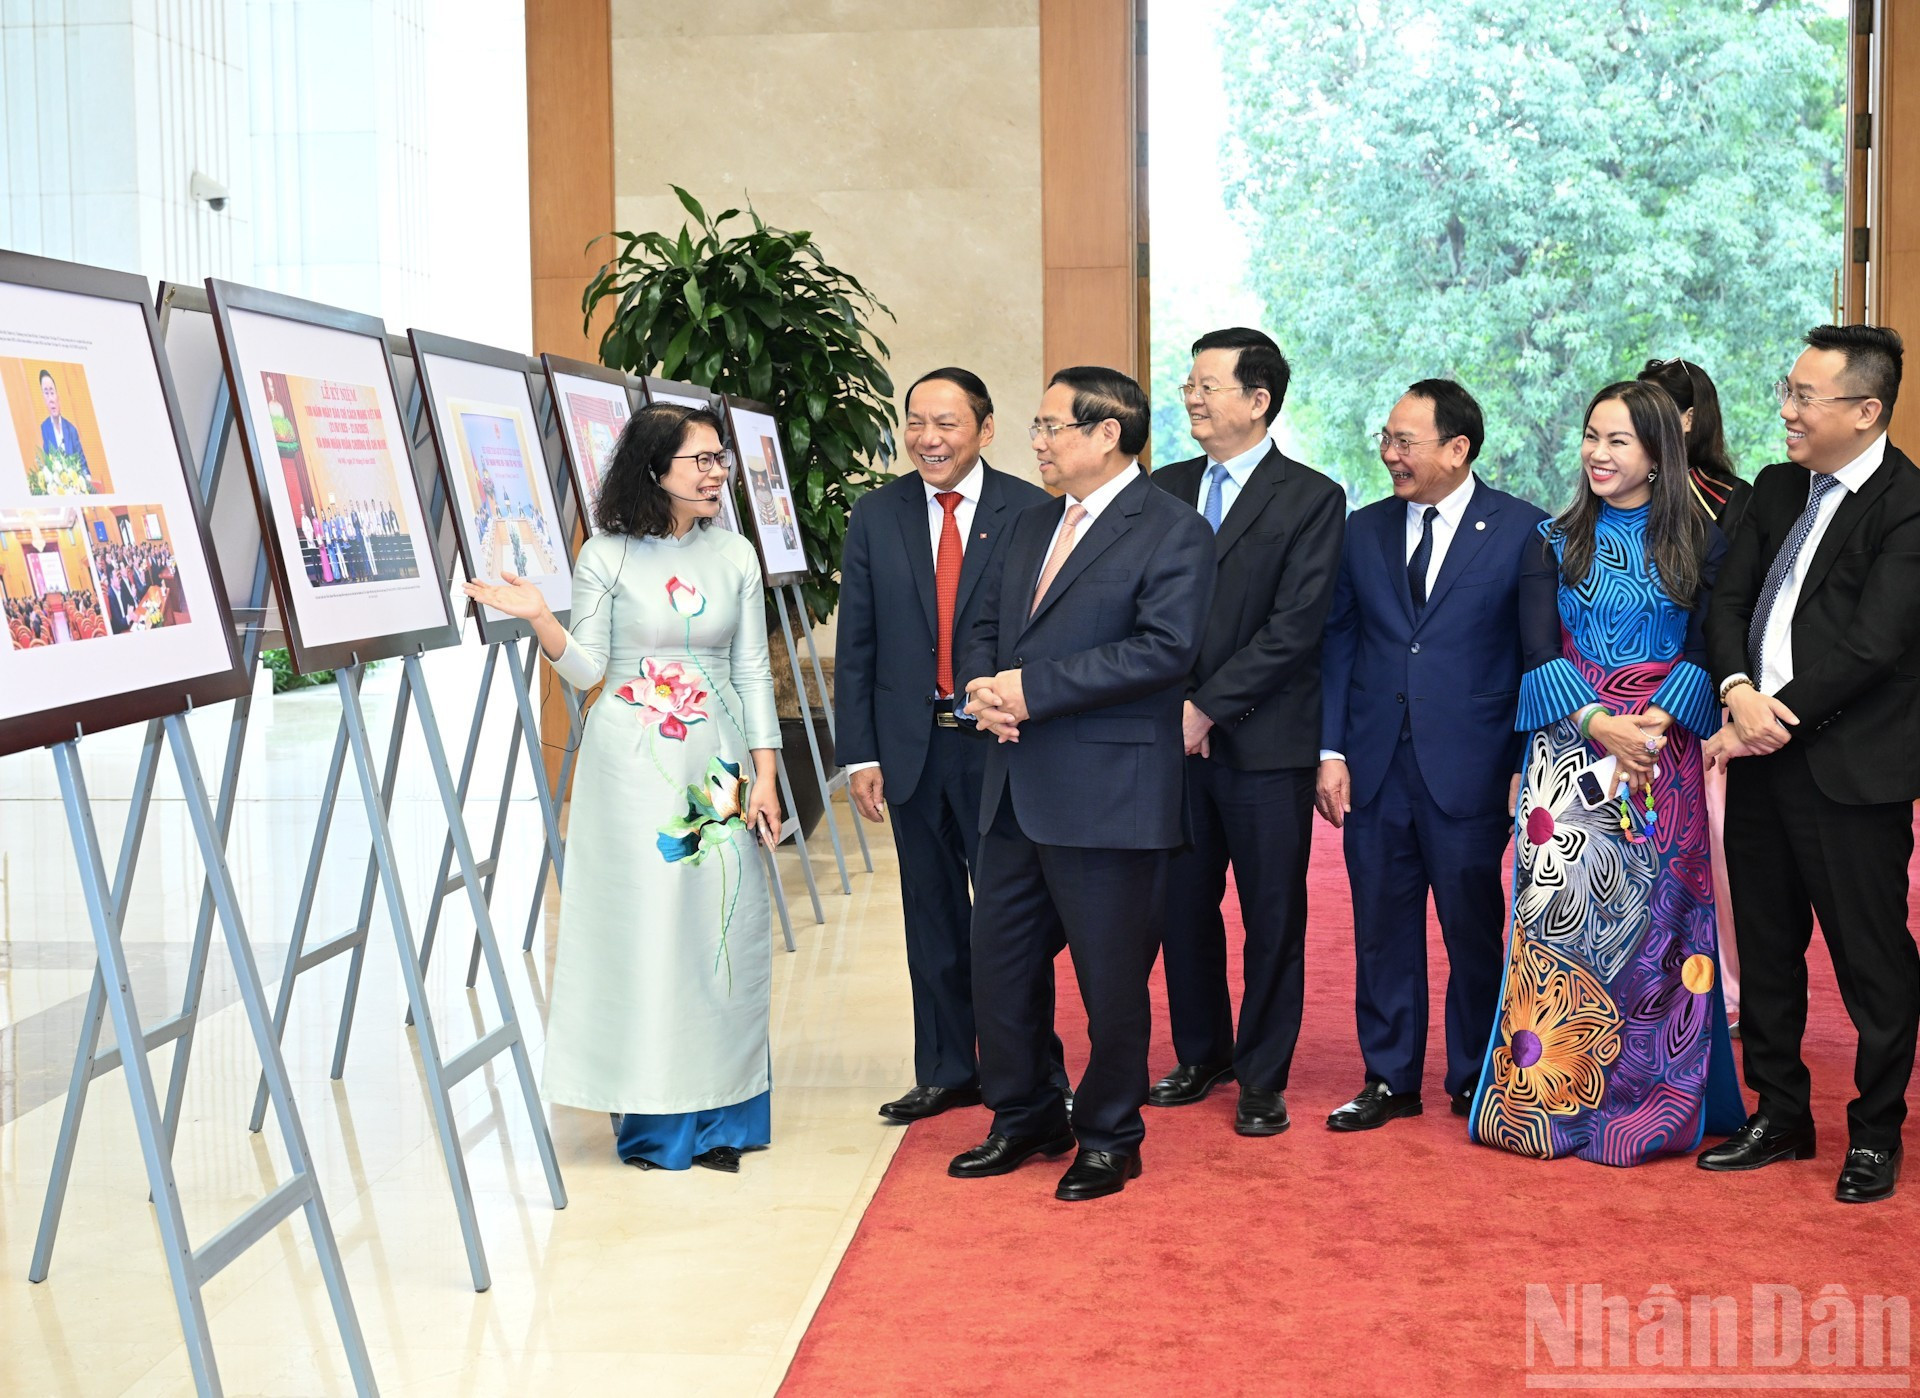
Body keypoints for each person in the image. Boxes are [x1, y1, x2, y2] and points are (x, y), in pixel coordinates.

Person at [461, 402, 784, 1173]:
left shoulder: (736, 553)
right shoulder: (604, 555)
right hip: (630, 763)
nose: (715, 474)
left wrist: (766, 773)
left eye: (719, 460)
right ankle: (653, 1116)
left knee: (721, 931)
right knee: (647, 929)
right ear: (653, 469)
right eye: (699, 460)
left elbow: (751, 670)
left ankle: (723, 1114)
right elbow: (587, 669)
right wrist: (542, 617)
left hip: (719, 758)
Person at [949, 366, 1214, 1201]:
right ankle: (1025, 1113)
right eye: (1036, 426)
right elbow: (985, 625)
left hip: (1108, 797)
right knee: (1001, 968)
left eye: (1051, 426)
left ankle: (1108, 1134)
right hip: (1013, 783)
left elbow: (1163, 649)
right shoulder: (1028, 525)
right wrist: (983, 690)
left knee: (1109, 982)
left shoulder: (1173, 529)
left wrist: (1032, 689)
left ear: (1109, 432)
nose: (1038, 442)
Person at [1468, 381, 1745, 1164]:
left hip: (1663, 752)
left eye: (1619, 440)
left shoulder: (1706, 536)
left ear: (1658, 454)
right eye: (1592, 436)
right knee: (1558, 927)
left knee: (1663, 928)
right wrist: (1599, 724)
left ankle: (1644, 1105)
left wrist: (1656, 723)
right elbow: (1536, 651)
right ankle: (1545, 1105)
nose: (1598, 452)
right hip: (1568, 751)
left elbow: (1709, 642)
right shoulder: (1552, 539)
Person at [1700, 324, 1920, 1205]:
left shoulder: (1907, 504)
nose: (1785, 411)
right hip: (1761, 759)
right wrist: (1737, 685)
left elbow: (1875, 645)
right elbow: (1728, 601)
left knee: (1873, 961)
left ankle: (1874, 1133)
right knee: (1767, 946)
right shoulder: (1777, 488)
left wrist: (1768, 717)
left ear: (1866, 411)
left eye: (1804, 397)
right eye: (1786, 391)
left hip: (1850, 771)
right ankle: (1781, 1114)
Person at [1317, 381, 1547, 1130]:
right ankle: (1390, 1078)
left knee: (1473, 928)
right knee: (1381, 928)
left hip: (1473, 769)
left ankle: (1477, 1076)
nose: (1390, 455)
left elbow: (1534, 657)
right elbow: (1341, 645)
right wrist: (1331, 750)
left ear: (1458, 448)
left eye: (1406, 442)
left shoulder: (1522, 531)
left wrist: (1523, 762)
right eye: (1386, 438)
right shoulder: (1363, 531)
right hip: (1377, 767)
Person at [834, 367, 1054, 1123]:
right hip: (911, 748)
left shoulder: (1033, 510)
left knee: (1010, 917)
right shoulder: (876, 514)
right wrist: (860, 754)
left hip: (998, 746)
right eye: (916, 423)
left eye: (947, 424)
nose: (928, 439)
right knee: (929, 913)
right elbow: (856, 643)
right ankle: (947, 1068)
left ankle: (1025, 1070)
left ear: (985, 430)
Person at [1147, 328, 1346, 1137]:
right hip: (1169, 741)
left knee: (1272, 914)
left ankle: (1263, 1073)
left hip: (1265, 745)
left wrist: (1207, 707)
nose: (1192, 397)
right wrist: (1175, 709)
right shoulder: (1162, 488)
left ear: (1258, 400)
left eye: (1209, 385)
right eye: (1189, 384)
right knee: (1181, 907)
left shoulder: (1311, 497)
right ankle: (1204, 1052)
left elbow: (1294, 629)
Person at [1637, 357, 1752, 1036]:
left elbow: (1732, 609)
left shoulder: (1731, 500)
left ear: (1683, 420)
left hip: (1703, 694)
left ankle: (1726, 991)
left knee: (1712, 849)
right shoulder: (1618, 493)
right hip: (1619, 698)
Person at [38, 369, 92, 486]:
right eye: (46, 394)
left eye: (52, 393)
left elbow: (82, 464)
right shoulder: (45, 428)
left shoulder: (71, 429)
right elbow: (48, 463)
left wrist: (87, 482)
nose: (51, 399)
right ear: (44, 399)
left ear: (58, 396)